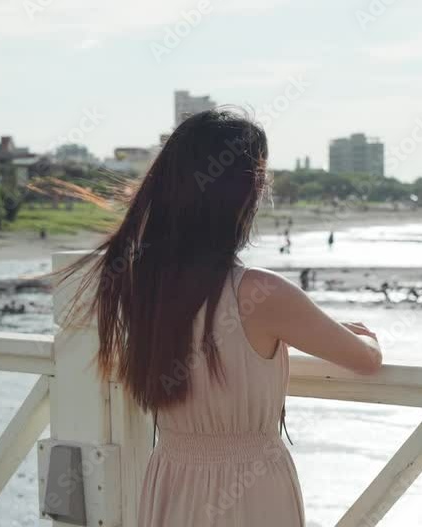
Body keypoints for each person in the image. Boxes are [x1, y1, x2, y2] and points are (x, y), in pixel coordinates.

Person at [57, 110, 382, 527]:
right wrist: (363, 336)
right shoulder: (261, 293)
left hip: (171, 478)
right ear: (243, 194)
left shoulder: (143, 287)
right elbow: (366, 359)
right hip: (250, 488)